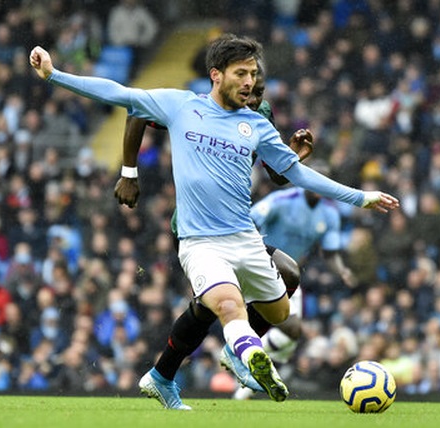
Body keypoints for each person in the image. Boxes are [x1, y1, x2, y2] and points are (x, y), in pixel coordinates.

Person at [29, 34, 399, 409]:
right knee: (227, 303)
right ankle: (247, 354)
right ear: (216, 75)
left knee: (280, 310)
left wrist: (360, 197)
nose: (250, 82)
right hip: (199, 239)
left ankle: (187, 367)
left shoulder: (256, 124)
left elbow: (296, 176)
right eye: (241, 74)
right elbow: (121, 95)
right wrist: (55, 75)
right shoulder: (181, 106)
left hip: (244, 236)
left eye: (253, 74)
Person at [113, 66, 315, 403]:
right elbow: (137, 110)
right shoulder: (197, 108)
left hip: (236, 227)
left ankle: (223, 353)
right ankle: (166, 375)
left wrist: (293, 157)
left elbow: (275, 174)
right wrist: (129, 173)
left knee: (288, 275)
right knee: (212, 306)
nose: (252, 97)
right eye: (248, 88)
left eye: (259, 92)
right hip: (197, 226)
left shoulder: (259, 113)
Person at [233, 160, 357, 400]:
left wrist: (342, 271)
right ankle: (240, 350)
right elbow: (250, 219)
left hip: (289, 277)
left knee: (290, 340)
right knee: (290, 330)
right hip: (262, 269)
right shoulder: (283, 200)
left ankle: (245, 378)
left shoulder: (329, 214)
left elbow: (330, 253)